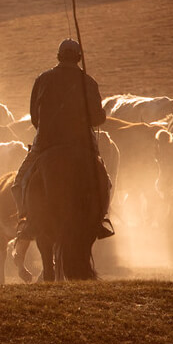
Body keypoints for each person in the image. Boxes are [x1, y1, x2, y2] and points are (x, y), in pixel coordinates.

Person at [12, 38, 113, 239]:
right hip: (83, 143)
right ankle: (100, 220)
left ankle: (27, 221)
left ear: (58, 56)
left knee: (20, 181)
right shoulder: (89, 82)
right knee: (105, 183)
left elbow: (34, 117)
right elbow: (96, 119)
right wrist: (100, 115)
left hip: (46, 143)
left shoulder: (42, 79)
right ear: (78, 57)